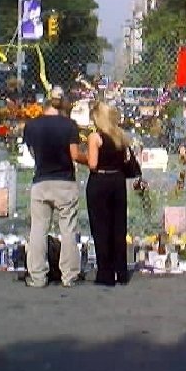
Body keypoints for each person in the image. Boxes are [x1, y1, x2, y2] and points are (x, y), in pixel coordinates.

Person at [23, 86, 87, 288]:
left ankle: (38, 276)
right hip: (65, 181)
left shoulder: (31, 126)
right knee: (67, 230)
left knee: (38, 229)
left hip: (41, 180)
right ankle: (69, 276)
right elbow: (74, 155)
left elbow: (33, 154)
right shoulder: (70, 126)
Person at [85, 101, 132, 286]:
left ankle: (105, 273)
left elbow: (93, 164)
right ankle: (121, 271)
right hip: (118, 181)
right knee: (118, 226)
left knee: (101, 227)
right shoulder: (120, 136)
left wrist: (84, 157)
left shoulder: (95, 137)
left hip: (100, 182)